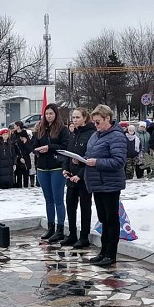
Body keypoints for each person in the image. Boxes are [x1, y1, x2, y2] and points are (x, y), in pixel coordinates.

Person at [83, 105, 127, 266]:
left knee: (111, 219)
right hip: (97, 183)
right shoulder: (96, 135)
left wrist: (97, 162)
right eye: (94, 122)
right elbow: (90, 154)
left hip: (110, 183)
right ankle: (103, 251)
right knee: (103, 219)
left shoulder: (116, 136)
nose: (96, 125)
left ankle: (111, 253)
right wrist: (82, 160)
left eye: (98, 122)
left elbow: (119, 161)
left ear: (107, 119)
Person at [31, 103, 70, 241]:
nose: (48, 116)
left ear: (56, 114)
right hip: (42, 167)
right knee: (48, 199)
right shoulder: (40, 128)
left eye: (51, 113)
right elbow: (33, 145)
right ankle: (50, 227)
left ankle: (60, 229)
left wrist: (50, 147)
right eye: (46, 114)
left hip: (56, 167)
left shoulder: (62, 129)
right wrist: (37, 151)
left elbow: (65, 146)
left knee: (58, 199)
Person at [62, 107, 96, 249]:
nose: (74, 120)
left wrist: (80, 174)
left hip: (84, 177)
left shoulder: (91, 134)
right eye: (73, 118)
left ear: (84, 118)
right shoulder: (74, 134)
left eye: (77, 117)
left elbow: (90, 156)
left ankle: (84, 236)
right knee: (70, 205)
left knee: (85, 207)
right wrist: (65, 168)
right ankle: (72, 234)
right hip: (71, 177)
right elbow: (69, 153)